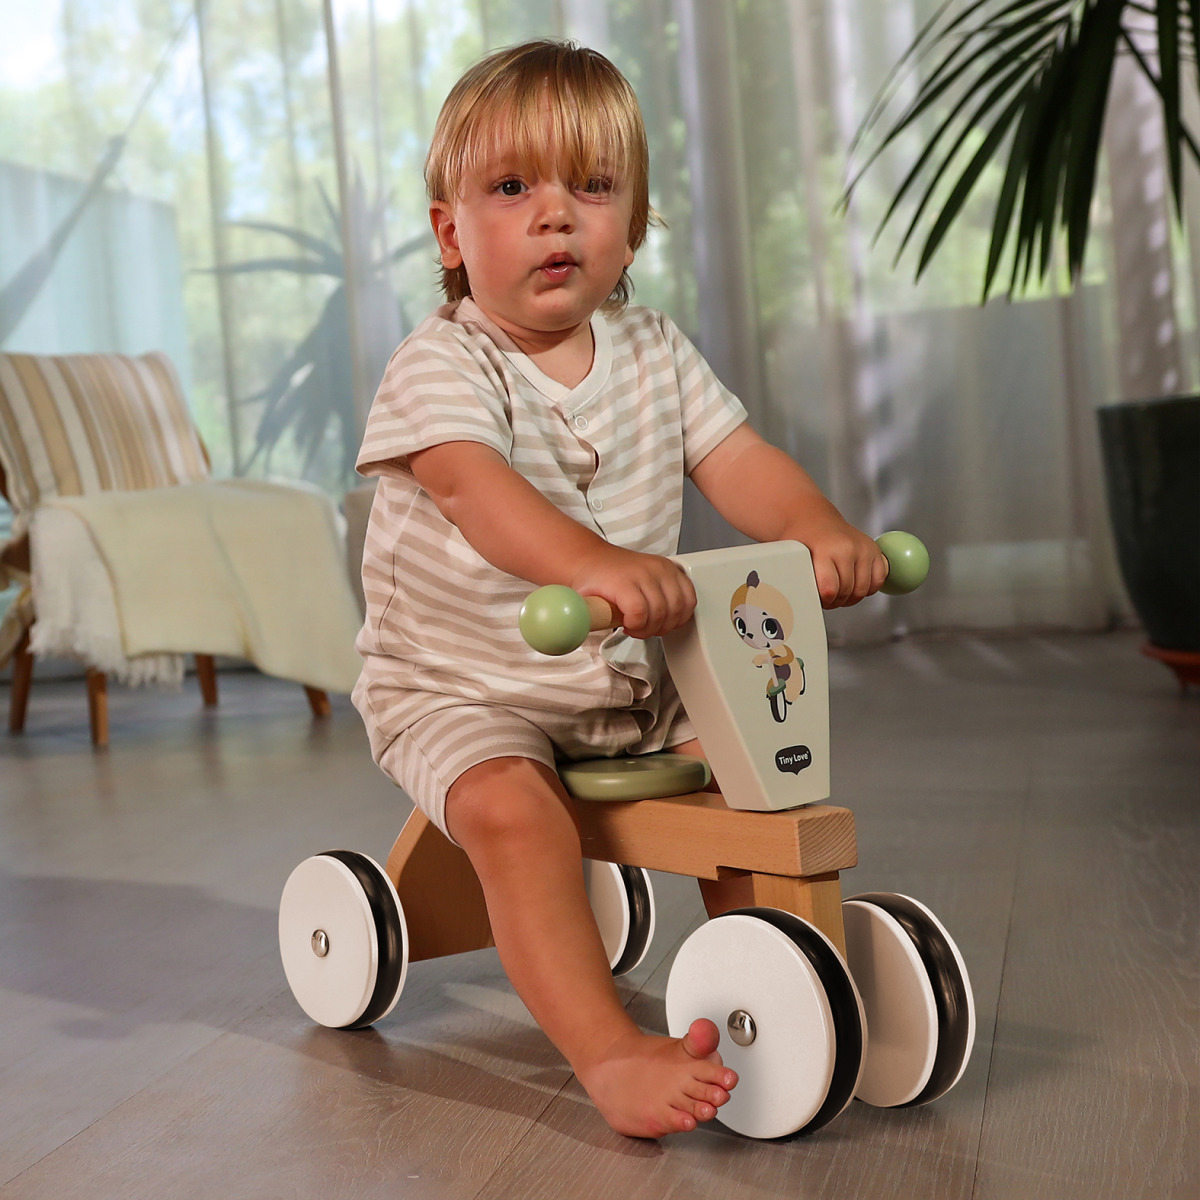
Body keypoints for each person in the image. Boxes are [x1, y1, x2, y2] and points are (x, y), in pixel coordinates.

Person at [353, 39, 887, 1139]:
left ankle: (780, 977)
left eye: (592, 188)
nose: (556, 215)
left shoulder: (654, 349)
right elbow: (474, 489)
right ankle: (605, 1052)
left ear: (632, 226)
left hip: (626, 679)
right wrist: (595, 567)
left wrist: (815, 526)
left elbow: (738, 461)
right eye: (514, 188)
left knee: (756, 770)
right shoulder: (442, 364)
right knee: (515, 816)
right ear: (452, 233)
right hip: (460, 685)